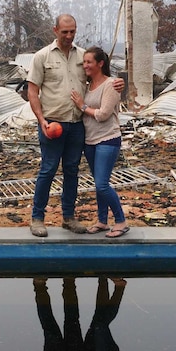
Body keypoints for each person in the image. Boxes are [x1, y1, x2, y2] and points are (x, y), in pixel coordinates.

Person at [26, 15, 124, 238]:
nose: (69, 36)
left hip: (77, 125)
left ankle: (68, 217)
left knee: (72, 171)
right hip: (52, 123)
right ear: (55, 30)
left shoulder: (83, 57)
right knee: (48, 169)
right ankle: (37, 218)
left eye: (72, 32)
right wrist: (41, 120)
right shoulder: (42, 57)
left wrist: (118, 82)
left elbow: (100, 77)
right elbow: (32, 91)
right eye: (64, 32)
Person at [70, 47, 129, 238]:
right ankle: (102, 221)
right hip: (90, 141)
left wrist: (82, 106)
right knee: (98, 184)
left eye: (89, 62)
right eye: (84, 62)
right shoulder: (87, 86)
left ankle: (121, 221)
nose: (85, 65)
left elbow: (103, 115)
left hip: (107, 139)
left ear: (100, 63)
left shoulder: (111, 84)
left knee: (103, 184)